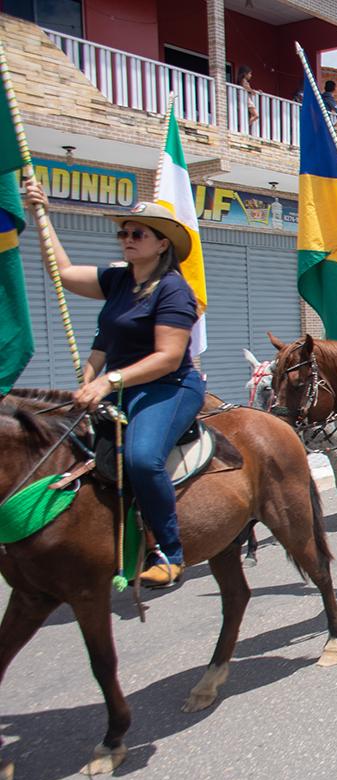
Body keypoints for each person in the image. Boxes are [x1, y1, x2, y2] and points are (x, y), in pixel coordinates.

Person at [23, 180, 204, 588]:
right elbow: (64, 273)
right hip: (116, 386)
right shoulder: (119, 280)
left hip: (167, 387)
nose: (127, 238)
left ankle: (170, 552)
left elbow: (168, 357)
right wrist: (42, 216)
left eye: (137, 233)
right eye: (123, 231)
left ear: (162, 245)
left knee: (141, 459)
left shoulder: (174, 290)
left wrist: (108, 381)